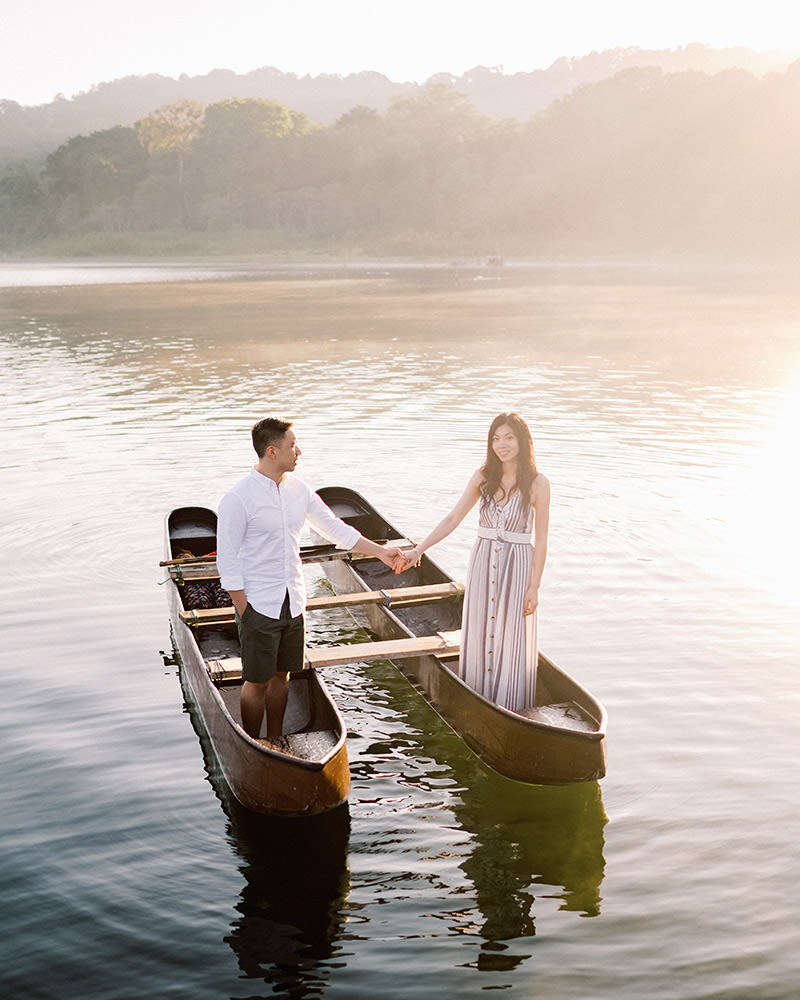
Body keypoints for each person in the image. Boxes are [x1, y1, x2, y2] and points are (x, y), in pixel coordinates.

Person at [217, 417, 403, 745]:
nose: (299, 451)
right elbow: (227, 560)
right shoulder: (239, 498)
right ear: (272, 451)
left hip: (294, 600)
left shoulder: (299, 490)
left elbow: (336, 529)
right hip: (259, 604)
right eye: (292, 445)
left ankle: (276, 739)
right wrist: (243, 608)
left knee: (282, 676)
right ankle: (253, 743)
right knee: (256, 681)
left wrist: (381, 552)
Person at [394, 412, 550, 713]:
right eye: (496, 439)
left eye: (508, 437)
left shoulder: (538, 484)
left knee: (511, 630)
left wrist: (534, 587)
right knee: (479, 625)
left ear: (522, 440)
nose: (501, 445)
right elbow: (453, 517)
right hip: (483, 560)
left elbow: (541, 540)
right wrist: (419, 550)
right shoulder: (483, 477)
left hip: (517, 564)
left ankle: (510, 705)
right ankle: (478, 697)